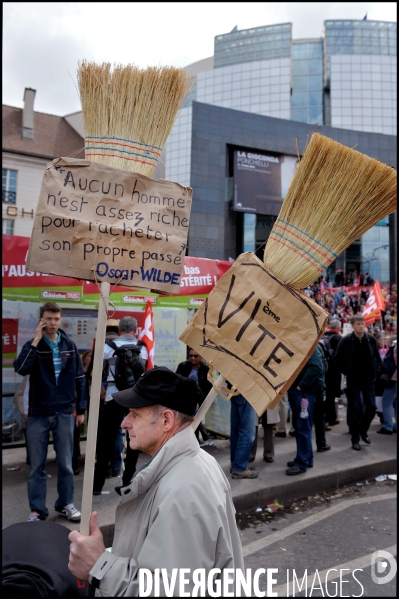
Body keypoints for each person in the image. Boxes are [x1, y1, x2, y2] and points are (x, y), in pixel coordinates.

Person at [68, 367, 245, 595]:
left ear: (166, 420)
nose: (125, 423)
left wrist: (99, 565)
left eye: (135, 414)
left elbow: (168, 589)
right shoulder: (192, 465)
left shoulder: (183, 491)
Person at [13, 302, 86, 522]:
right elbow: (21, 368)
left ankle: (66, 503)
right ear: (41, 320)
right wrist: (35, 340)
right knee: (37, 466)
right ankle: (37, 509)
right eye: (48, 319)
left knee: (65, 462)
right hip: (38, 412)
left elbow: (80, 379)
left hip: (64, 411)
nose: (53, 323)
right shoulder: (33, 345)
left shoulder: (69, 345)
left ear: (60, 319)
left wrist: (80, 409)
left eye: (56, 318)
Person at [93, 316, 148, 494]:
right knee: (133, 441)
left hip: (113, 398)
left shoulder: (108, 347)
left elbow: (97, 371)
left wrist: (102, 388)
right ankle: (127, 482)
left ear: (119, 330)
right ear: (135, 329)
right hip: (134, 399)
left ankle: (96, 486)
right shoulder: (142, 348)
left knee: (105, 442)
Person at [335, 314, 382, 450]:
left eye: (362, 324)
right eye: (358, 324)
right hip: (353, 379)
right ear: (353, 326)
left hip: (368, 379)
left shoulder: (371, 339)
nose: (361, 326)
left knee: (372, 407)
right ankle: (355, 438)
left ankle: (363, 430)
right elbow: (337, 359)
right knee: (354, 409)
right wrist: (346, 372)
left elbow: (377, 358)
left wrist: (376, 371)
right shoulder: (346, 340)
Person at [286, 344, 325, 475]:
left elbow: (316, 368)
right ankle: (306, 459)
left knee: (303, 427)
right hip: (302, 392)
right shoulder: (305, 344)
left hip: (304, 392)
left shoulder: (310, 345)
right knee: (301, 427)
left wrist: (301, 386)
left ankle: (302, 462)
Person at [176, 349, 212, 442]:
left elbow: (208, 386)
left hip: (197, 397)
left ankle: (197, 437)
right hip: (184, 397)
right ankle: (202, 433)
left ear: (200, 357)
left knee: (193, 417)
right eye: (191, 356)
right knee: (191, 417)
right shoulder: (183, 366)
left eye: (195, 356)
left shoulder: (205, 370)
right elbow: (177, 381)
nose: (192, 358)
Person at [230, 393, 259, 478]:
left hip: (235, 389)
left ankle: (236, 462)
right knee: (247, 432)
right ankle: (239, 466)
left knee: (236, 429)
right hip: (246, 391)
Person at [322, 319, 343, 427]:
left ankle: (332, 417)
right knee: (331, 396)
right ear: (339, 328)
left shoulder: (323, 337)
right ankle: (328, 419)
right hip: (334, 371)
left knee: (327, 396)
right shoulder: (339, 339)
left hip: (323, 370)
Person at [377, 342, 397, 434]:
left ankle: (388, 426)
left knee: (386, 402)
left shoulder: (395, 348)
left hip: (393, 379)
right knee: (396, 403)